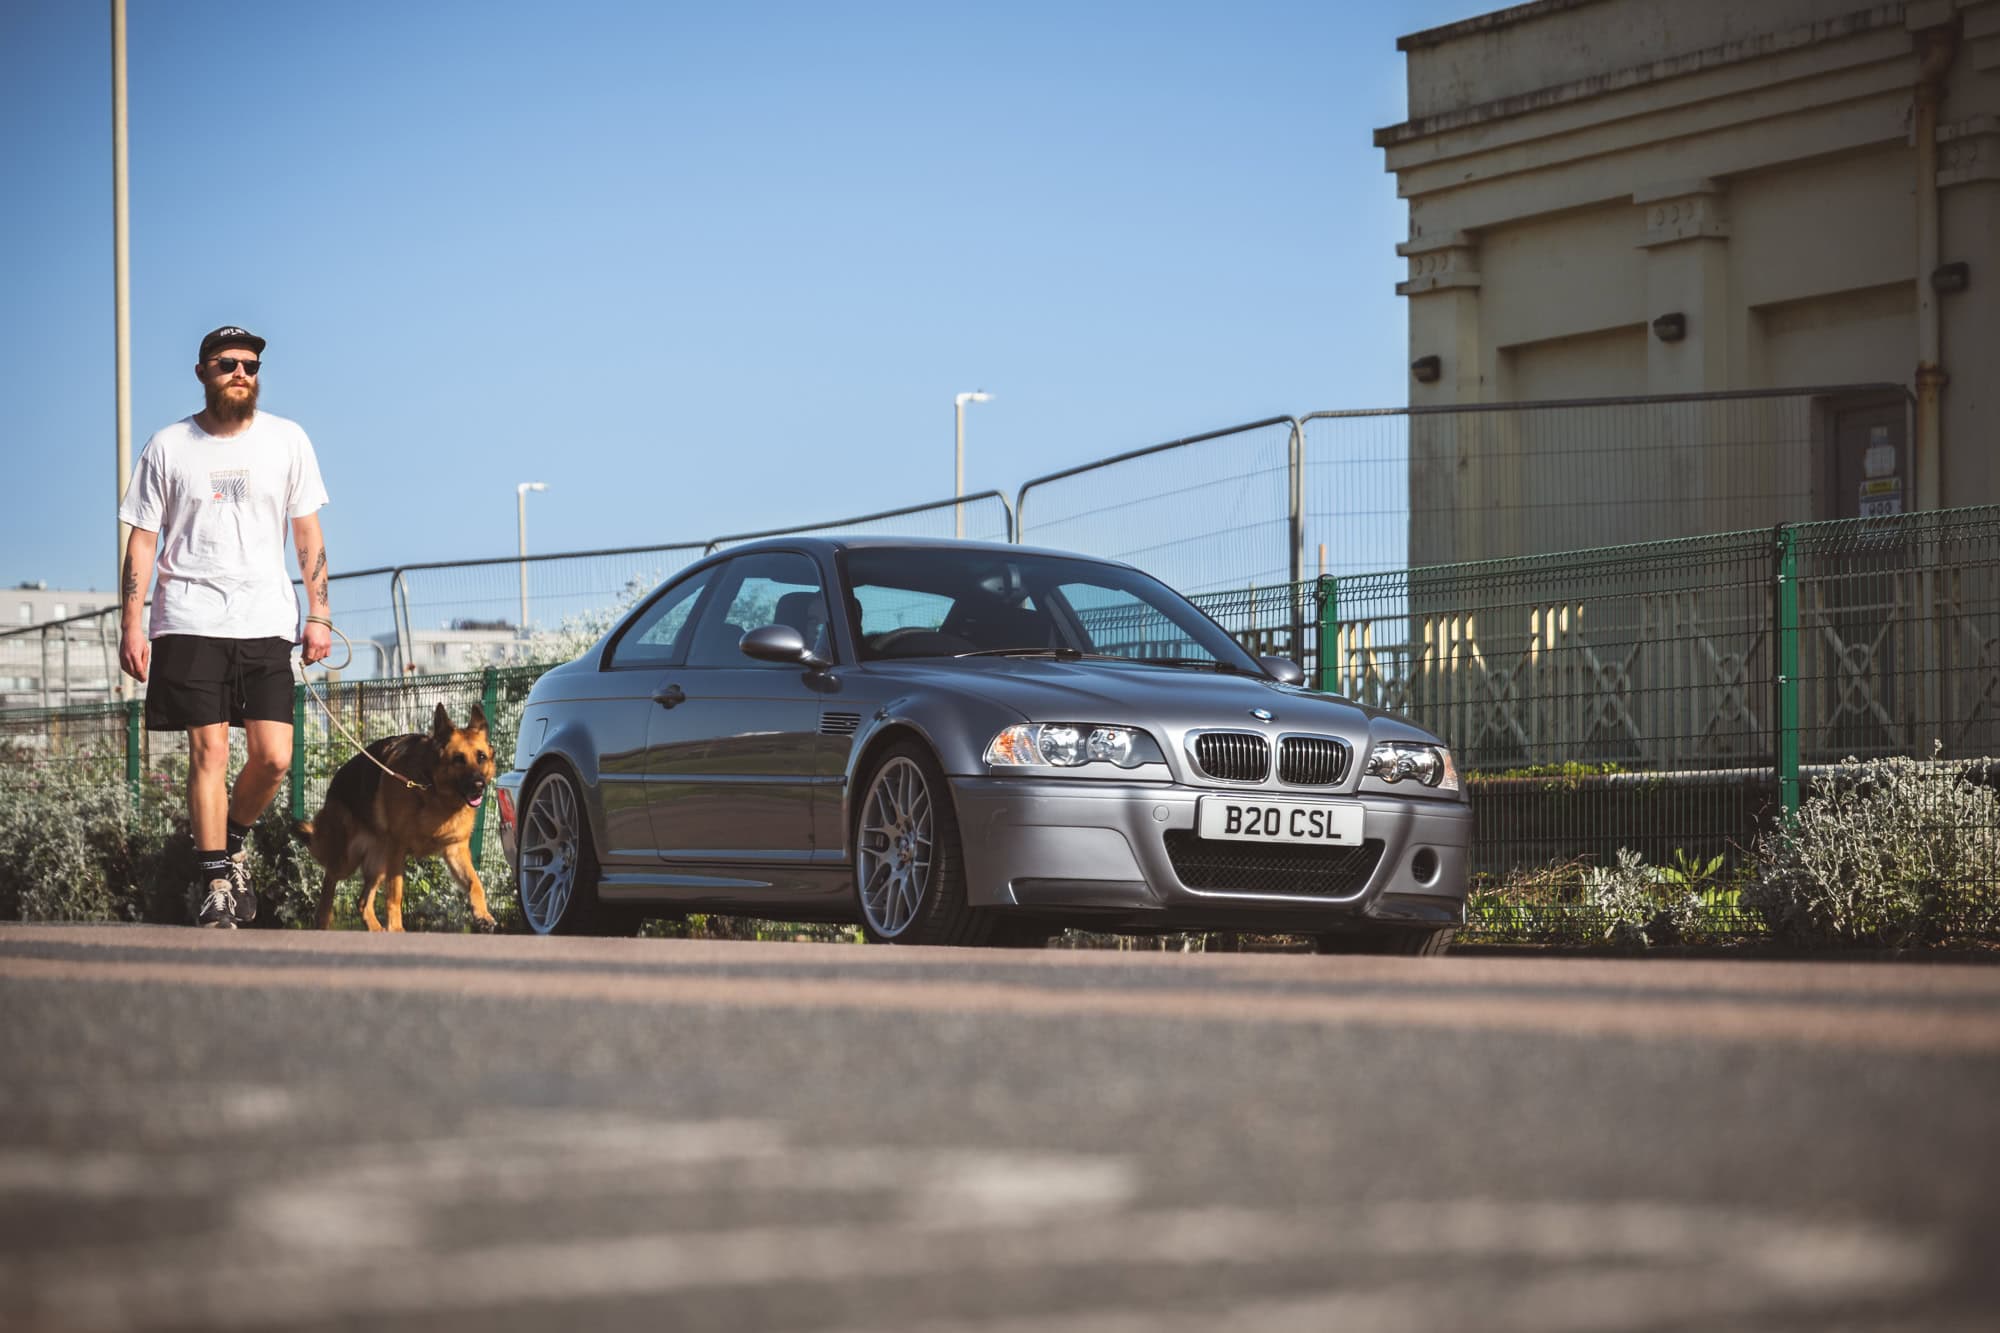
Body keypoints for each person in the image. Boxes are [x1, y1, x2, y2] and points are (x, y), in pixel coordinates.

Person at [118, 326, 332, 927]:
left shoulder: (288, 440)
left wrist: (319, 612)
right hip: (187, 618)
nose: (241, 372)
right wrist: (131, 624)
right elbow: (142, 540)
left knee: (274, 756)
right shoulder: (168, 446)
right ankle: (215, 883)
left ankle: (229, 840)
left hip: (266, 618)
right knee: (208, 750)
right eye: (227, 363)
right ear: (202, 372)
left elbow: (307, 534)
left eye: (251, 364)